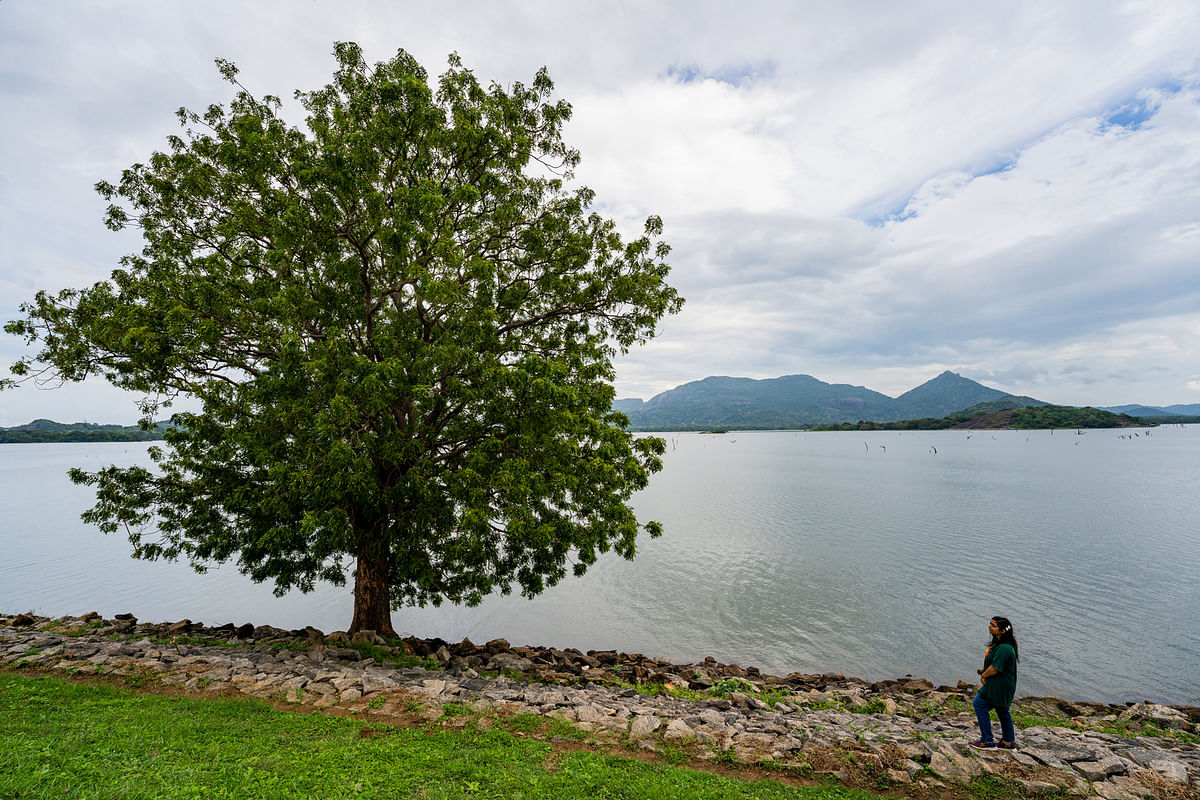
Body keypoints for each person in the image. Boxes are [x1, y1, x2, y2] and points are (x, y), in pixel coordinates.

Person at [970, 616, 1019, 749]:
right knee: (1002, 710)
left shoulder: (1004, 648)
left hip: (999, 686)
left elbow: (996, 668)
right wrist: (984, 669)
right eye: (990, 624)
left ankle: (987, 740)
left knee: (979, 704)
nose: (990, 626)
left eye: (994, 625)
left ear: (1002, 631)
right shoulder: (1001, 645)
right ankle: (1008, 741)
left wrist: (984, 675)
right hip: (1004, 685)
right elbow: (995, 663)